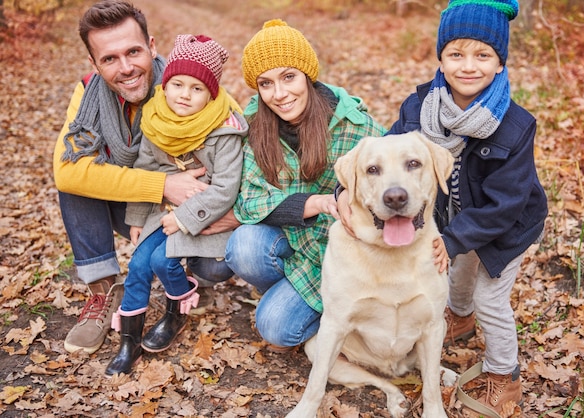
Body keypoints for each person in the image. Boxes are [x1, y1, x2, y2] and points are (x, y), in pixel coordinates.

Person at [381, 0, 547, 415]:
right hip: (456, 217)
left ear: (500, 64)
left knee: (490, 296)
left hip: (507, 225)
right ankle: (459, 314)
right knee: (456, 270)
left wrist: (453, 239)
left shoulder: (514, 125)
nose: (468, 66)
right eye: (456, 54)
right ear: (441, 58)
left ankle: (503, 374)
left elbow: (505, 203)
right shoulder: (419, 109)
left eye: (482, 55)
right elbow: (390, 149)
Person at [53, 0, 233, 356]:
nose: (126, 68)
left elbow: (239, 151)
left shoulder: (188, 84)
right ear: (94, 64)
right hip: (141, 210)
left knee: (219, 261)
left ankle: (192, 277)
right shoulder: (88, 92)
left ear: (152, 47)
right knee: (76, 176)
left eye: (133, 51)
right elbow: (67, 171)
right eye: (109, 59)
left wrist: (220, 208)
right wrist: (162, 186)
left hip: (199, 212)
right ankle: (103, 294)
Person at [223, 19, 386, 351]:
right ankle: (289, 293)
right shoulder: (255, 125)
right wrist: (319, 202)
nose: (279, 94)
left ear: (307, 76)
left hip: (340, 255)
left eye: (288, 77)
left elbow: (388, 183)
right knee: (244, 246)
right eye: (266, 84)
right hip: (292, 241)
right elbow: (250, 200)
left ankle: (335, 312)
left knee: (275, 328)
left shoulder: (353, 126)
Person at [104, 34, 247, 376]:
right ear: (165, 85)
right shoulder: (155, 120)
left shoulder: (224, 130)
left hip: (205, 218)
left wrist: (183, 218)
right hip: (160, 213)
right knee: (139, 265)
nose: (185, 94)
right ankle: (129, 341)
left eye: (197, 89)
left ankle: (176, 310)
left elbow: (227, 189)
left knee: (161, 260)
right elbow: (145, 169)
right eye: (178, 84)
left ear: (210, 94)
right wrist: (138, 216)